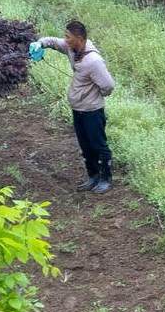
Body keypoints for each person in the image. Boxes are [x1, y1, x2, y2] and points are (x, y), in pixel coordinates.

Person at [36, 21, 117, 193]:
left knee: (98, 145)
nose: (65, 40)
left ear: (79, 39)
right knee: (85, 146)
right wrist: (40, 43)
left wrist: (94, 95)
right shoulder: (72, 49)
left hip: (92, 110)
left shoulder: (93, 61)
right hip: (78, 109)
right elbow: (54, 42)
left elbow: (108, 85)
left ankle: (105, 179)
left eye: (68, 37)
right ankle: (93, 176)